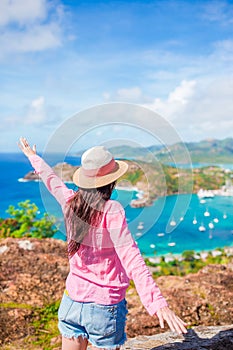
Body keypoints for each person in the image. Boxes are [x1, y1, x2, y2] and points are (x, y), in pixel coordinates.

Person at [18, 137, 187, 350]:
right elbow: (131, 258)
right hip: (104, 308)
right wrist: (157, 304)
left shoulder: (70, 203)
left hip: (71, 302)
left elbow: (53, 181)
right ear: (111, 181)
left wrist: (33, 158)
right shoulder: (112, 210)